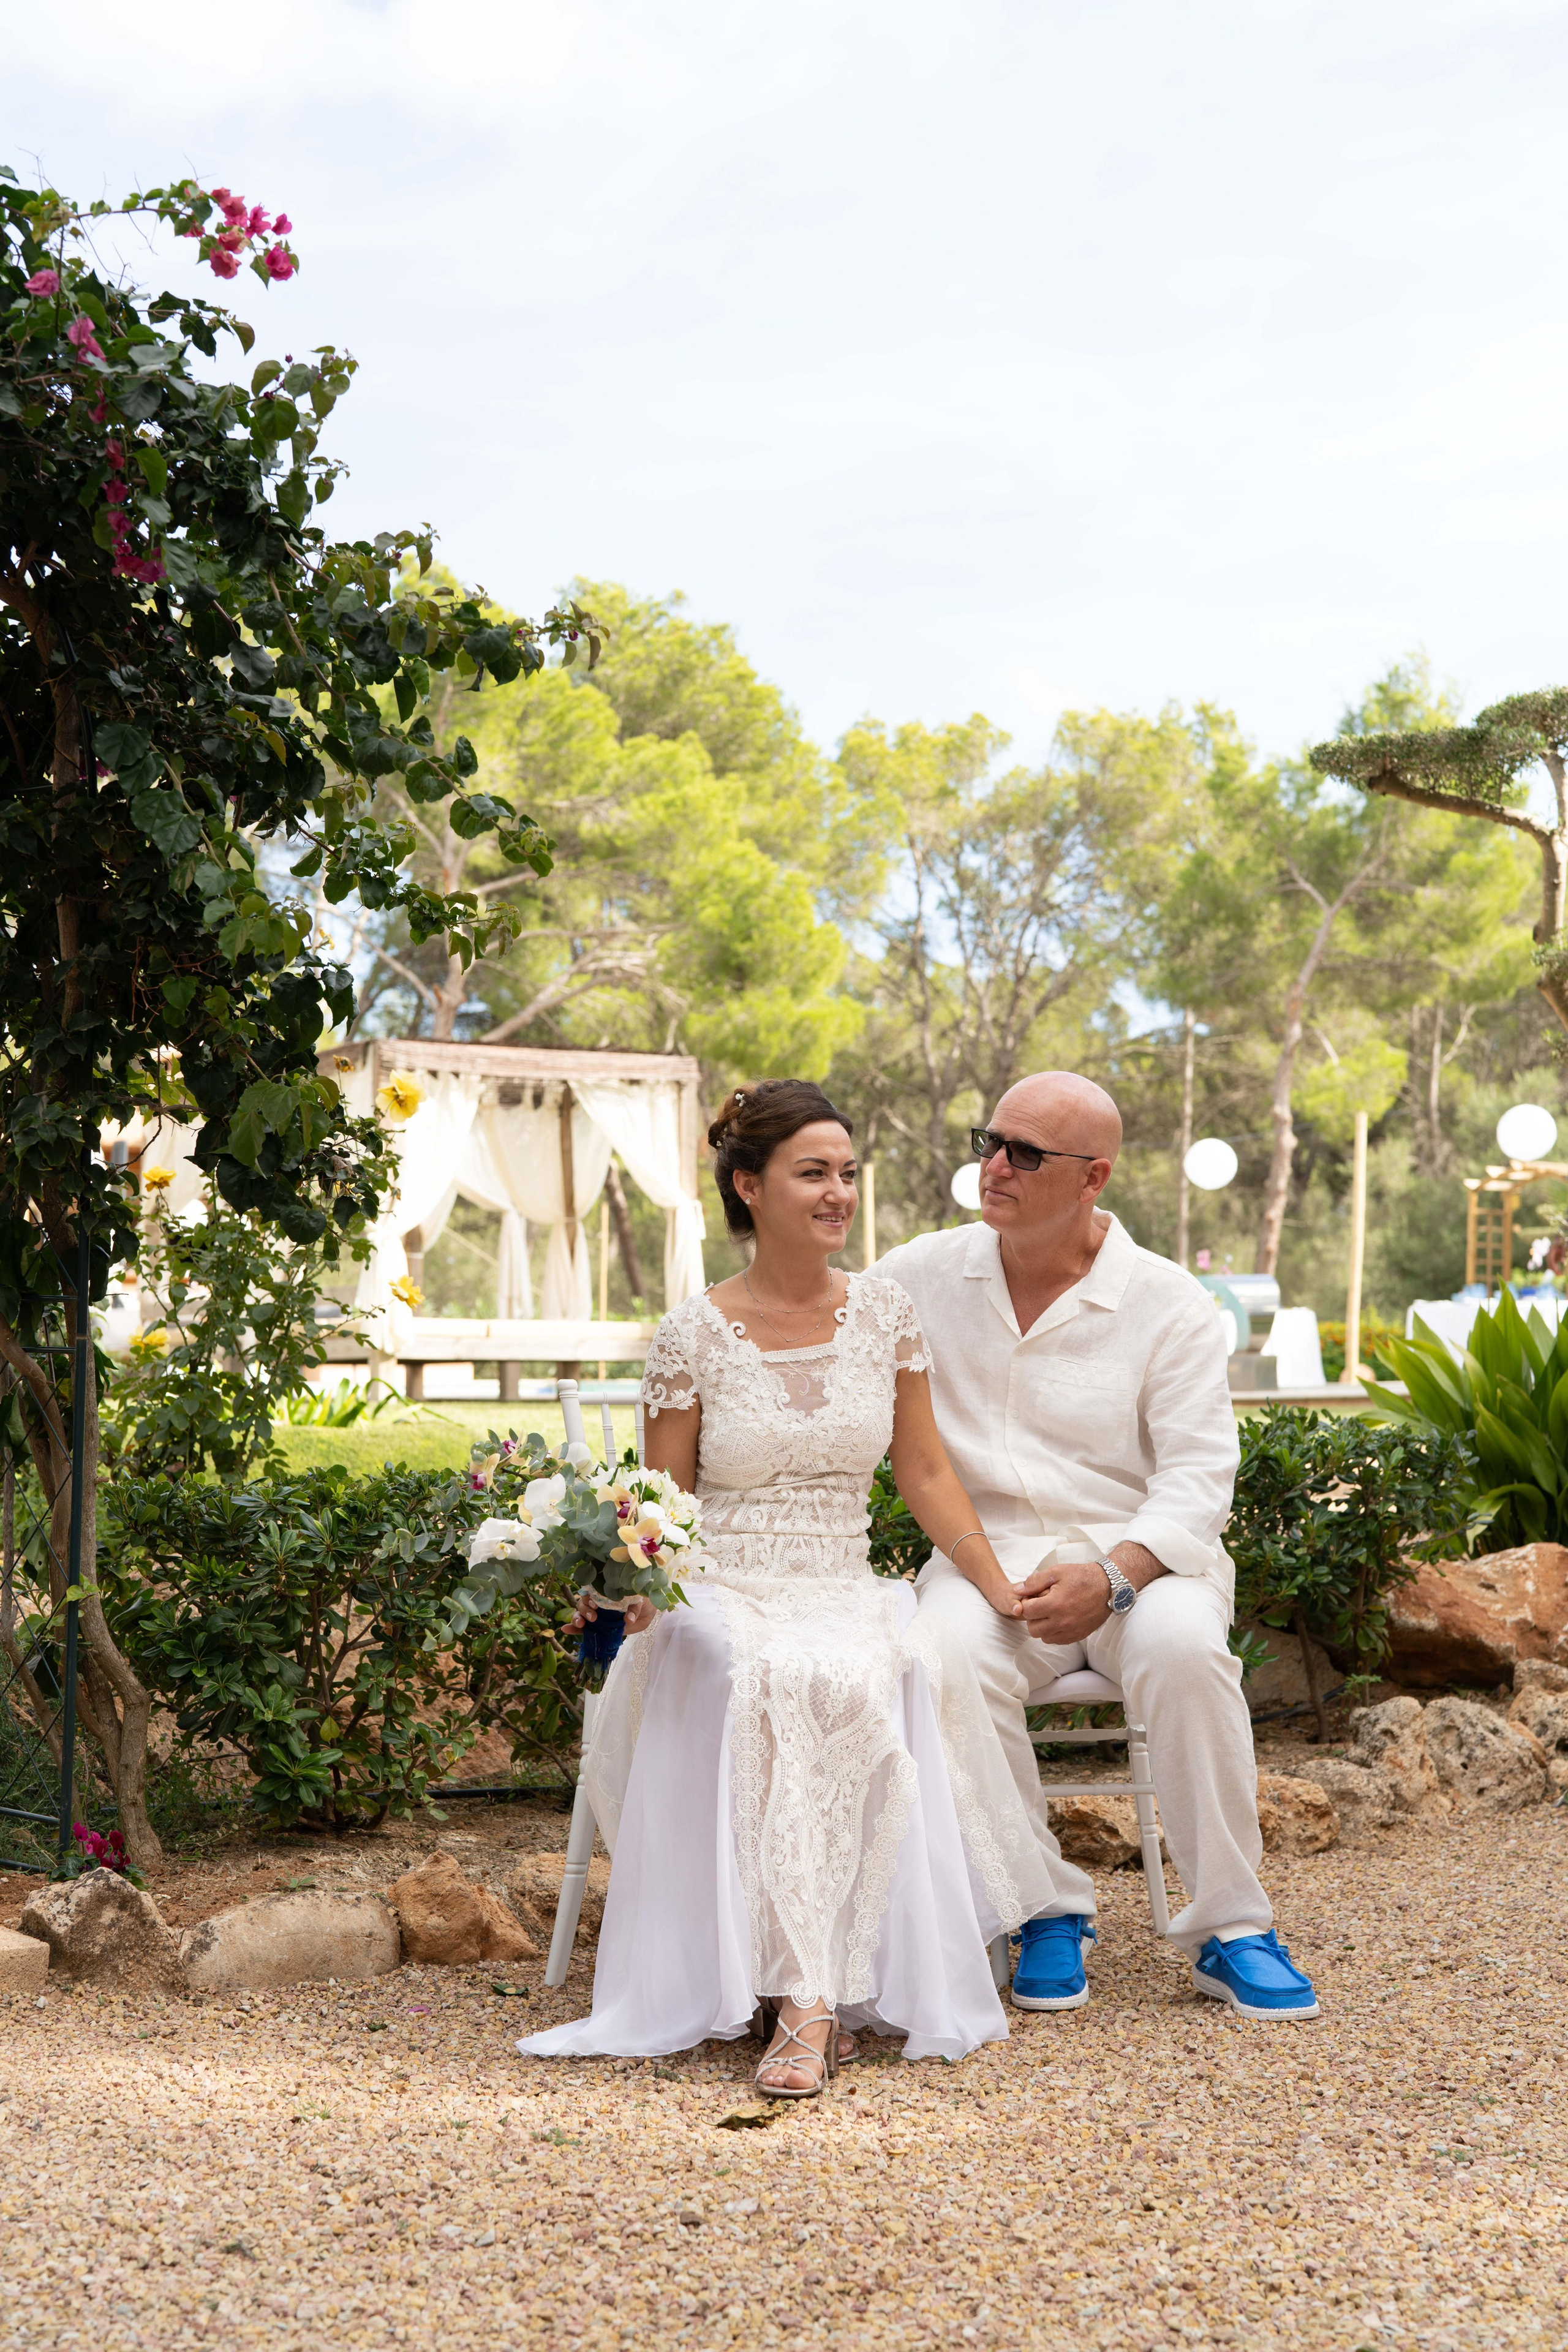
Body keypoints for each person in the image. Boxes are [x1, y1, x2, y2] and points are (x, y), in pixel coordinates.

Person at [519, 1080, 1031, 2093]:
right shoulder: (694, 1332)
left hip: (843, 1578)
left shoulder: (887, 1315)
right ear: (749, 1187)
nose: (839, 1193)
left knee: (866, 1669)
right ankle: (794, 1990)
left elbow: (925, 1470)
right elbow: (665, 1503)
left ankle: (807, 1990)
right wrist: (630, 1592)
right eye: (813, 1173)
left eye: (847, 1172)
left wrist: (998, 1584)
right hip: (725, 1584)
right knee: (755, 1669)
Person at [876, 1071, 1320, 2024]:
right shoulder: (918, 1275)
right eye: (990, 1142)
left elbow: (1199, 1476)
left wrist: (1115, 1577)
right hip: (988, 1561)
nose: (995, 1166)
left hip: (1145, 1564)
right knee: (934, 1653)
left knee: (1186, 1651)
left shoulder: (1168, 1301)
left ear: (1094, 1177)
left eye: (1025, 1153)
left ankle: (1233, 1926)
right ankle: (1043, 1906)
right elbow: (814, 1333)